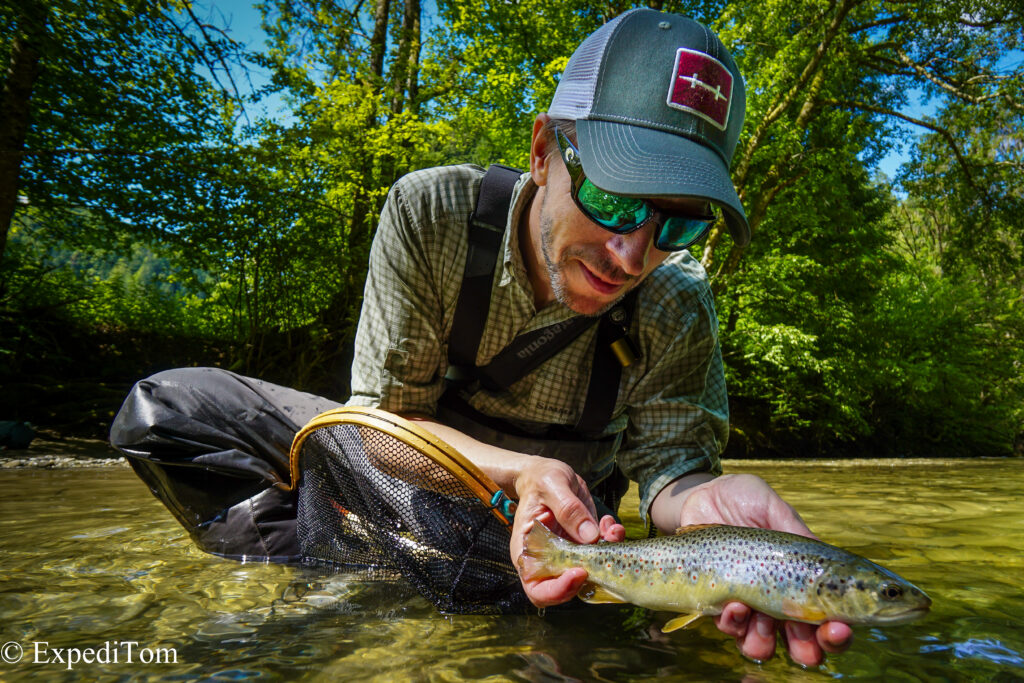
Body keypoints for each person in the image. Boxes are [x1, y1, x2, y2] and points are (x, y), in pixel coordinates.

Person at [110, 8, 851, 666]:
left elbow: (672, 476)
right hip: (403, 475)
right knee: (168, 410)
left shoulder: (677, 301)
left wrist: (715, 515)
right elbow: (382, 428)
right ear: (542, 151)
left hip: (554, 528)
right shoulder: (431, 215)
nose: (632, 256)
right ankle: (348, 564)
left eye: (680, 223)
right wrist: (517, 467)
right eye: (614, 198)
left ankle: (425, 586)